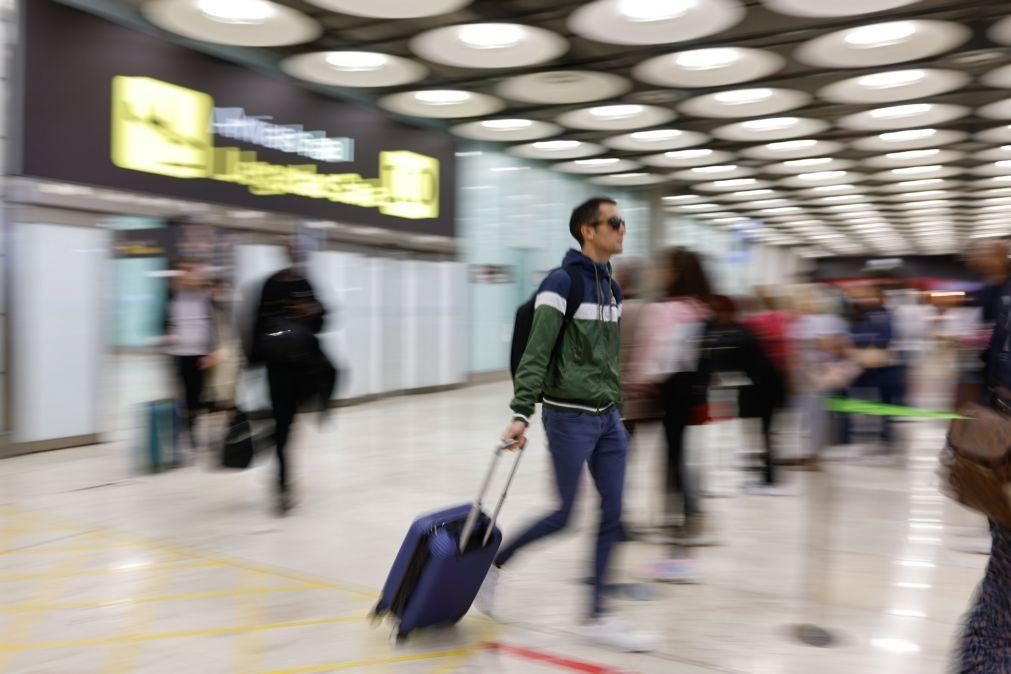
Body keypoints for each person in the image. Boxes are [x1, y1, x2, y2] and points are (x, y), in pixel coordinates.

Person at [476, 197, 652, 652]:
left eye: (623, 221)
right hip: (569, 417)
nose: (622, 229)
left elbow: (608, 358)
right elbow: (537, 351)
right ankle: (492, 567)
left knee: (614, 513)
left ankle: (596, 615)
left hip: (608, 419)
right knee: (564, 515)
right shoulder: (562, 281)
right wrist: (521, 414)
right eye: (614, 222)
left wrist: (619, 404)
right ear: (587, 231)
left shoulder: (612, 288)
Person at [630, 247, 713, 545]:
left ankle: (682, 515)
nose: (658, 273)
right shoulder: (700, 308)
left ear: (675, 273)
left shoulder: (665, 310)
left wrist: (639, 382)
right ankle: (682, 513)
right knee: (678, 453)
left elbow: (654, 355)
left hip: (666, 390)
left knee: (672, 455)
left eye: (663, 268)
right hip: (691, 391)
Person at [250, 239, 333, 515]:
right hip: (280, 368)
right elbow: (258, 325)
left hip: (303, 367)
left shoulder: (304, 283)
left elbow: (322, 319)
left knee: (288, 423)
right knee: (285, 428)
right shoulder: (272, 284)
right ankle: (283, 487)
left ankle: (281, 431)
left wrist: (310, 313)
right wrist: (253, 361)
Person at [164, 260, 218, 451]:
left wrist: (210, 351)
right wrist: (167, 333)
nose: (188, 275)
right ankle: (184, 431)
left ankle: (192, 430)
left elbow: (212, 325)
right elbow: (165, 320)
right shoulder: (173, 296)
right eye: (184, 270)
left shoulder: (204, 297)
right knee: (182, 395)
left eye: (191, 270)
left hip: (199, 353)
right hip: (179, 352)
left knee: (196, 395)